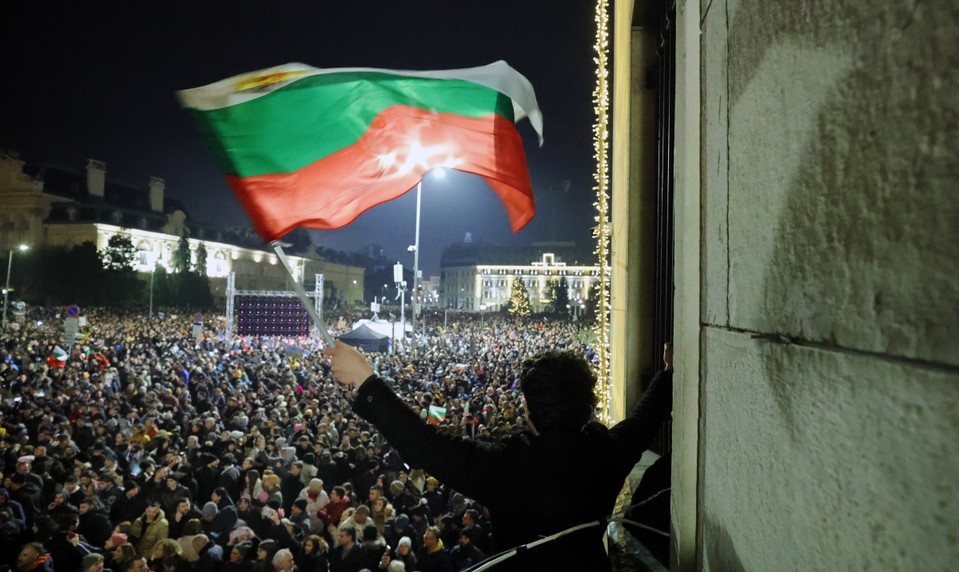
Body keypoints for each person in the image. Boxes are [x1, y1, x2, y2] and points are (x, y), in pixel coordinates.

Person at [326, 341, 673, 572]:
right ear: (586, 404)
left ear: (529, 407)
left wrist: (365, 379)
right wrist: (668, 375)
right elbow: (643, 422)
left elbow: (426, 446)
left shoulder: (507, 467)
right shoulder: (606, 453)